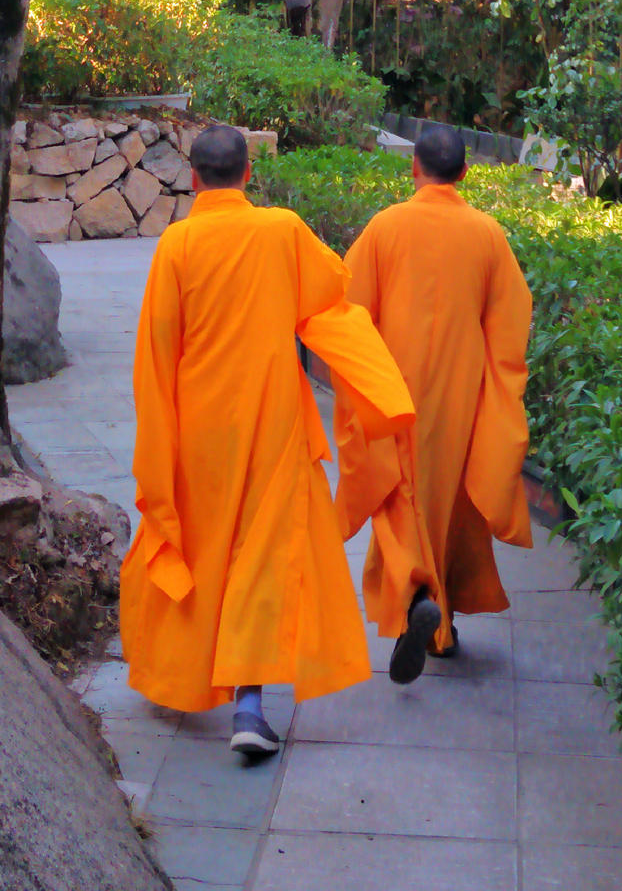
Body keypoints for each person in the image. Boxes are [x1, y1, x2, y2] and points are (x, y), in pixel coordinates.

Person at [120, 122, 416, 759]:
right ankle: (249, 706)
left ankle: (175, 677)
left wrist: (157, 444)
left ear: (194, 177)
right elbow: (333, 305)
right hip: (272, 421)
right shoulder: (281, 231)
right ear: (248, 173)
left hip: (199, 431)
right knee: (258, 558)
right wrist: (382, 390)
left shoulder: (176, 244)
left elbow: (155, 356)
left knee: (197, 549)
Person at [334, 122, 534, 678]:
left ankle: (419, 607)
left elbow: (349, 315)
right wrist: (500, 394)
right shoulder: (487, 233)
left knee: (398, 496)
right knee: (446, 503)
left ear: (414, 169)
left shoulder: (384, 228)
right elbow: (511, 322)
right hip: (461, 392)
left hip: (391, 390)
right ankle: (437, 624)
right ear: (466, 173)